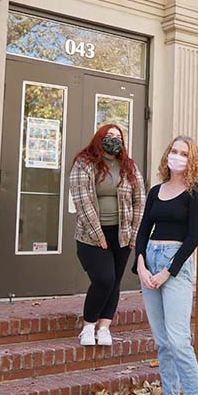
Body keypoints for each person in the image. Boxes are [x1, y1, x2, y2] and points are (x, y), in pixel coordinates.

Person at [134, 135, 198, 395]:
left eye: (184, 153)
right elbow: (142, 231)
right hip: (149, 262)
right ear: (167, 156)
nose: (177, 156)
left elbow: (194, 237)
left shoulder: (195, 193)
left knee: (179, 339)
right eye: (174, 151)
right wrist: (140, 264)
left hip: (174, 266)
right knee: (162, 341)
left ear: (191, 160)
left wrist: (168, 271)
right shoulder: (155, 191)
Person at [70, 124, 145, 347]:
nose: (114, 139)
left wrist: (134, 234)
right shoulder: (84, 163)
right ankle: (88, 326)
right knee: (104, 279)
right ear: (99, 138)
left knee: (114, 283)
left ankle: (104, 328)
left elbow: (140, 200)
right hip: (91, 235)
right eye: (109, 135)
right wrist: (97, 234)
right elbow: (82, 201)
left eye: (118, 136)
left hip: (121, 234)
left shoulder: (128, 166)